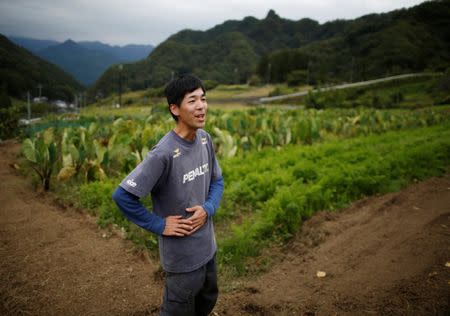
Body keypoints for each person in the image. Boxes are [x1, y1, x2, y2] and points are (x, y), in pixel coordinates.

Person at [112, 74, 224, 316]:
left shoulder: (204, 139)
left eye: (203, 99)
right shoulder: (162, 154)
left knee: (207, 300)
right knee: (177, 310)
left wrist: (208, 208)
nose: (201, 106)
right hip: (182, 258)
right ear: (175, 108)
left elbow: (217, 181)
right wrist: (159, 224)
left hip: (208, 247)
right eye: (192, 100)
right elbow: (122, 196)